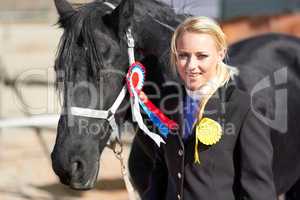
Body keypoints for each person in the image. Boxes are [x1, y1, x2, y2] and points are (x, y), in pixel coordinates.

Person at [128, 16, 277, 200]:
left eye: (202, 56)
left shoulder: (244, 109)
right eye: (183, 55)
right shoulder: (170, 104)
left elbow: (258, 191)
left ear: (220, 54)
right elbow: (161, 176)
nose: (191, 66)